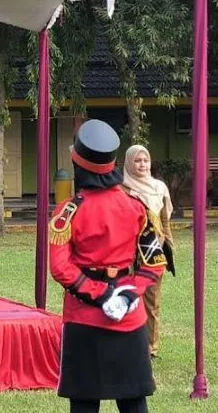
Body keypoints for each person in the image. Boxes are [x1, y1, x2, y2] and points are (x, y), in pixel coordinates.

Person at [49, 119, 169, 413]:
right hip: (129, 315)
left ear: (78, 166)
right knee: (133, 401)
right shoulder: (137, 206)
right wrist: (127, 294)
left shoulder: (69, 211)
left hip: (83, 317)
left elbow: (60, 267)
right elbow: (154, 262)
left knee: (84, 403)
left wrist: (101, 294)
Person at [122, 145, 175, 359]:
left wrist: (169, 248)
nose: (142, 164)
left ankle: (151, 348)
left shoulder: (159, 187)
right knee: (128, 299)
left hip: (154, 254)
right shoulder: (122, 189)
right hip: (128, 254)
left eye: (145, 160)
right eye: (137, 160)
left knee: (152, 302)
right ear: (128, 163)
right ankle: (129, 344)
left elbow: (164, 222)